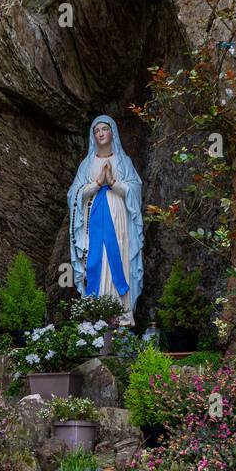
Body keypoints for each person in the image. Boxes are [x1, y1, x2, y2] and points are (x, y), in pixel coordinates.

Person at [67, 114, 145, 323]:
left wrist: (113, 183)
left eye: (104, 129)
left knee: (118, 256)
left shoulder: (123, 161)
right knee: (95, 259)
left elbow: (136, 189)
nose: (101, 133)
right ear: (93, 136)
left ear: (113, 132)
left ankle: (121, 314)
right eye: (96, 130)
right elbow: (73, 194)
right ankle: (96, 316)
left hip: (119, 219)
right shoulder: (87, 164)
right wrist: (95, 184)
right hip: (92, 219)